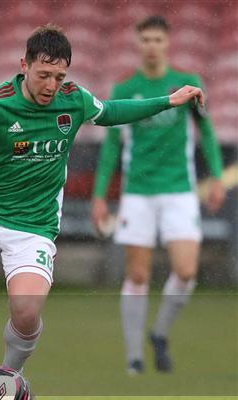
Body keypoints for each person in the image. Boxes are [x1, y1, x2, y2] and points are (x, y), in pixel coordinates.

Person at [0, 24, 206, 400]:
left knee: (26, 313)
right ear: (24, 66)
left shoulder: (73, 100)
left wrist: (168, 101)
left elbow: (114, 111)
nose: (52, 84)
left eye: (59, 76)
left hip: (35, 227)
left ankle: (8, 385)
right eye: (44, 75)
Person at [91, 16, 224, 375]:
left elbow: (207, 133)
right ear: (138, 43)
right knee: (137, 276)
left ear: (167, 43)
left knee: (186, 270)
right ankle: (134, 358)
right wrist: (100, 194)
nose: (151, 46)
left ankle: (160, 333)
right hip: (138, 192)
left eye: (157, 39)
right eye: (145, 39)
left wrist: (216, 177)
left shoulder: (188, 83)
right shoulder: (124, 88)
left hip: (179, 189)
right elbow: (111, 146)